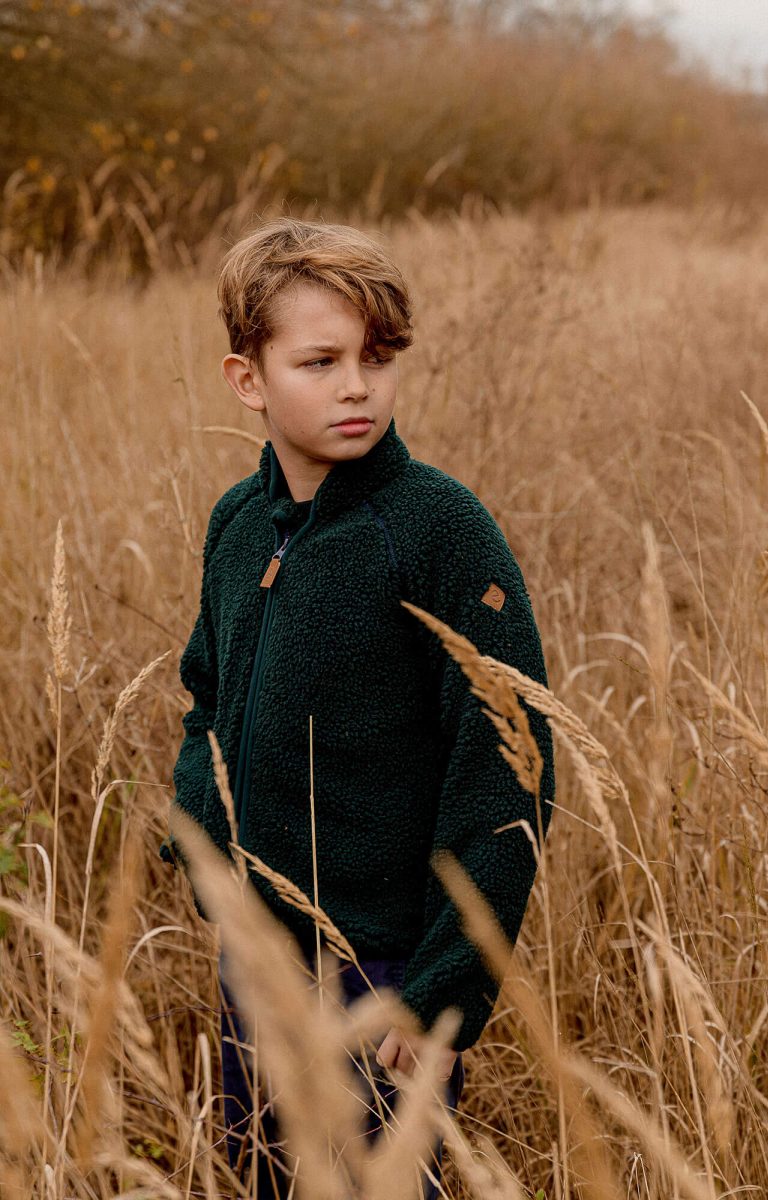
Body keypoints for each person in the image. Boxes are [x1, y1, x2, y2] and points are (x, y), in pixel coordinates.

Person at [159, 217, 555, 1198]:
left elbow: (508, 766)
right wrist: (202, 833)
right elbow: (206, 695)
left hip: (382, 978)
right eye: (320, 360)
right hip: (255, 960)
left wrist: (439, 992)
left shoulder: (434, 530)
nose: (355, 386)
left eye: (378, 358)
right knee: (262, 1177)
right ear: (247, 378)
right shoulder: (239, 523)